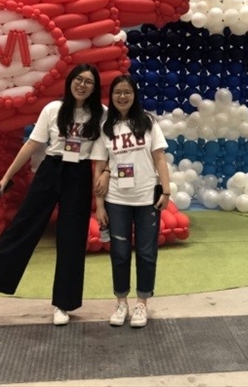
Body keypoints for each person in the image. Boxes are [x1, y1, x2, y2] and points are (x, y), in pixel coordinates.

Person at [0, 64, 106, 326]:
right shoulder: (53, 109)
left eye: (89, 82)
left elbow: (99, 158)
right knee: (24, 226)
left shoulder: (101, 114)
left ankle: (63, 304)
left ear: (94, 88)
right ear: (70, 81)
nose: (82, 85)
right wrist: (7, 176)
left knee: (72, 238)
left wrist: (100, 200)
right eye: (79, 79)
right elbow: (32, 144)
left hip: (79, 174)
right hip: (51, 169)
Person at [91, 75, 171, 328]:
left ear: (134, 95)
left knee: (147, 252)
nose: (122, 97)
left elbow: (159, 158)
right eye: (118, 92)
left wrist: (166, 191)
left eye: (127, 92)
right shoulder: (105, 126)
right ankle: (121, 302)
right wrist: (100, 205)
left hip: (147, 199)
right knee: (120, 252)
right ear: (111, 96)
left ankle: (142, 303)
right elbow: (99, 167)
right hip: (116, 199)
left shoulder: (147, 122)